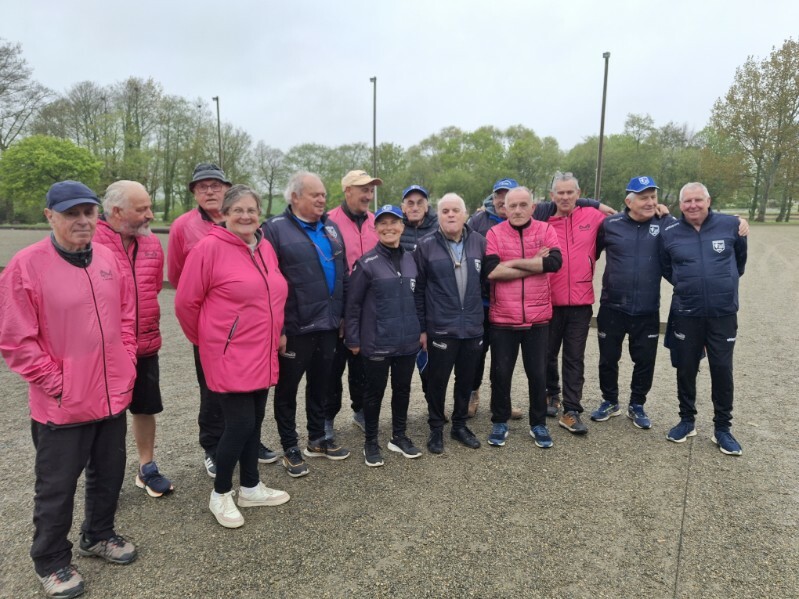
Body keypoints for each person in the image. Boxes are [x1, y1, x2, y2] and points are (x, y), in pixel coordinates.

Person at [0, 181, 138, 598]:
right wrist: (57, 384)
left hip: (112, 397)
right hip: (61, 407)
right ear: (50, 216)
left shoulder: (109, 258)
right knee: (56, 487)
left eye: (88, 212)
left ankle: (98, 534)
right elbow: (16, 340)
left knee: (109, 475)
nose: (81, 221)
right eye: (70, 213)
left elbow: (127, 318)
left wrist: (127, 362)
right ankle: (51, 559)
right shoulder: (25, 266)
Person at [175, 185, 290, 528]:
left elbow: (273, 293)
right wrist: (211, 341)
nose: (245, 216)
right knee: (238, 424)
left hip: (262, 349)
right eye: (237, 210)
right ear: (224, 213)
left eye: (251, 210)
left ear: (260, 215)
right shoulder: (208, 249)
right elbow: (185, 304)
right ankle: (221, 492)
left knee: (255, 420)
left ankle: (251, 486)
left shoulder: (265, 247)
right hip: (228, 354)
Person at [263, 172, 351, 478]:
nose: (322, 199)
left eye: (324, 194)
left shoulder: (331, 227)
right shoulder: (274, 230)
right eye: (315, 195)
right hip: (296, 327)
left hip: (328, 324)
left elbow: (344, 273)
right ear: (295, 197)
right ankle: (290, 446)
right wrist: (280, 329)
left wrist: (343, 315)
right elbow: (268, 283)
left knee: (322, 384)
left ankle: (318, 438)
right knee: (287, 390)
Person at [94, 180, 174, 497]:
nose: (150, 215)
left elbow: (152, 289)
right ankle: (102, 479)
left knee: (145, 407)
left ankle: (146, 467)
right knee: (104, 416)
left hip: (144, 344)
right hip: (104, 350)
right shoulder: (91, 243)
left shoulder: (152, 243)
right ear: (117, 211)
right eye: (142, 209)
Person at [660, 182, 747, 455]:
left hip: (722, 313)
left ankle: (722, 428)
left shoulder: (730, 226)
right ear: (680, 204)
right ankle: (687, 420)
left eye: (698, 200)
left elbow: (740, 263)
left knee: (722, 369)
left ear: (708, 201)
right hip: (687, 312)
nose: (693, 205)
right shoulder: (670, 233)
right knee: (686, 367)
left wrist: (722, 283)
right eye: (687, 201)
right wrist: (688, 284)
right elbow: (666, 267)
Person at [483, 187, 563, 448]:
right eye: (512, 206)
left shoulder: (545, 230)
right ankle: (500, 420)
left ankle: (538, 423)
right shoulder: (494, 233)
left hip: (538, 317)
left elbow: (553, 263)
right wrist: (531, 262)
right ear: (504, 208)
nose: (517, 210)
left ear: (532, 207)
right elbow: (492, 272)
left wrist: (512, 264)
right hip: (503, 317)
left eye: (522, 205)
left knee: (538, 374)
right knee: (501, 373)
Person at [346, 204, 423, 466]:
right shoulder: (366, 263)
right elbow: (353, 305)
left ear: (402, 226)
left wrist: (420, 330)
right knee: (374, 393)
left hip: (407, 341)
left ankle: (398, 436)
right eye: (383, 223)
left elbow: (418, 299)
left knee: (402, 390)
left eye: (394, 222)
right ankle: (371, 442)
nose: (389, 227)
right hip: (377, 342)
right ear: (375, 228)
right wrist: (353, 340)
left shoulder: (412, 259)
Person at [414, 193, 484, 454]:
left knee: (466, 380)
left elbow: (486, 283)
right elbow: (418, 290)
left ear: (465, 214)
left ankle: (459, 425)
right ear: (439, 215)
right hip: (441, 326)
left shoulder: (480, 243)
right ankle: (435, 428)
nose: (451, 215)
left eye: (456, 210)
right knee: (437, 380)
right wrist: (422, 327)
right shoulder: (425, 246)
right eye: (445, 211)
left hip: (473, 327)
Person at [544, 172, 607, 436]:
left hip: (581, 302)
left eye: (570, 192)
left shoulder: (593, 217)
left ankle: (571, 410)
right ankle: (551, 394)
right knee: (546, 354)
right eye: (560, 192)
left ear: (579, 194)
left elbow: (628, 216)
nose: (565, 197)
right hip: (548, 300)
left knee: (574, 357)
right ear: (552, 196)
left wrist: (661, 211)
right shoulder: (542, 219)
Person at [325, 169, 382, 435]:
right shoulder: (328, 223)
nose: (368, 194)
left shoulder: (376, 221)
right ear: (347, 190)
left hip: (369, 310)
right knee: (332, 370)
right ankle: (326, 419)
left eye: (371, 189)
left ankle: (360, 410)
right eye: (363, 189)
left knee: (364, 366)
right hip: (338, 309)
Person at [466, 178, 523, 420]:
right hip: (482, 301)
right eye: (499, 194)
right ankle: (472, 393)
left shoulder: (523, 221)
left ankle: (501, 401)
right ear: (494, 197)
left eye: (507, 195)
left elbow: (559, 202)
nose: (502, 199)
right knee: (476, 354)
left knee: (504, 357)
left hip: (508, 302)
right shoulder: (478, 221)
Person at [399, 184, 438, 251]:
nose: (415, 208)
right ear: (403, 208)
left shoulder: (439, 229)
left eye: (420, 203)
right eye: (410, 203)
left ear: (426, 207)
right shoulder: (395, 229)